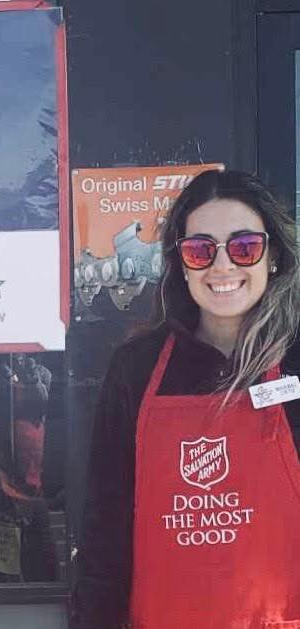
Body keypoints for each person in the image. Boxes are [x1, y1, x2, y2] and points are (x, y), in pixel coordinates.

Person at [75, 170, 300, 628]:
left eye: (244, 247)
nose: (222, 266)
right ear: (180, 263)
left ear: (273, 255)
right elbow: (105, 531)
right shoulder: (137, 368)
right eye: (200, 250)